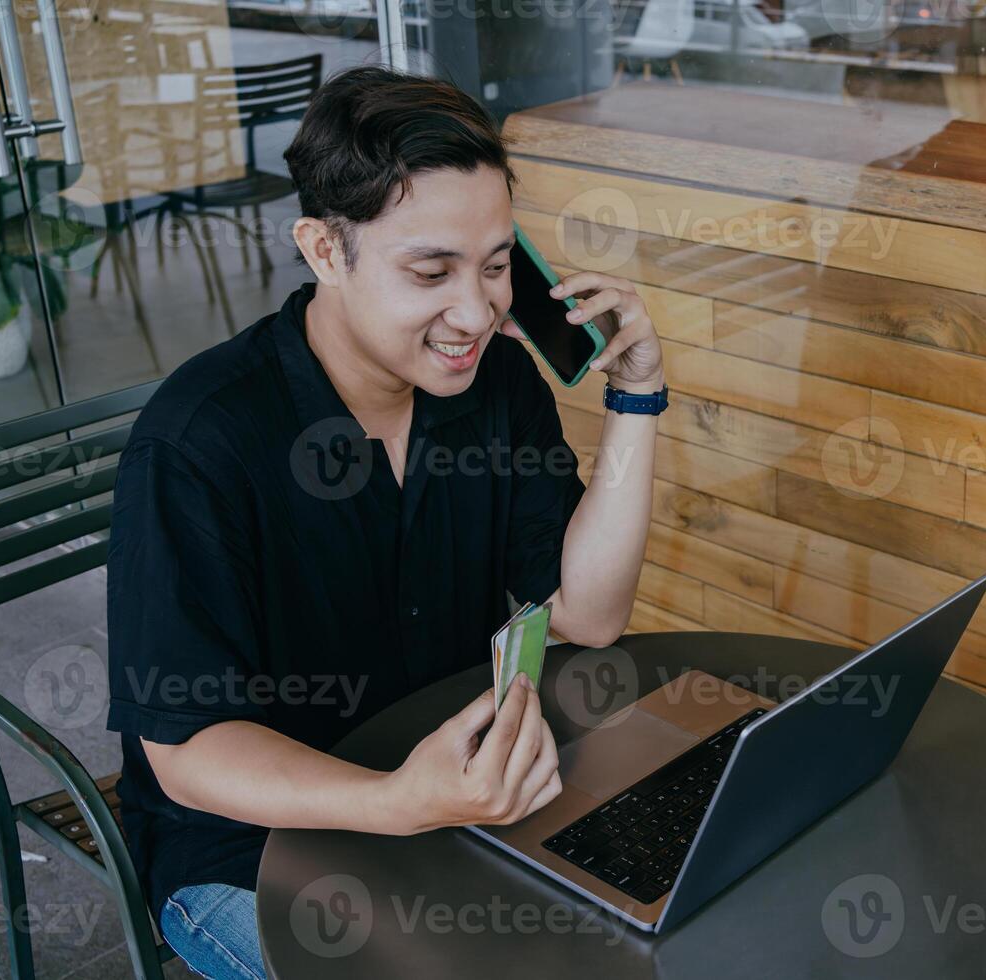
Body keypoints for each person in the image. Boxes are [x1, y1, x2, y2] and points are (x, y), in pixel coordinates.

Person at [105, 65, 667, 979]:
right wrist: (398, 802)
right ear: (324, 251)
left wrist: (635, 396)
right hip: (252, 854)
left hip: (457, 794)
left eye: (495, 266)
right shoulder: (201, 441)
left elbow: (586, 615)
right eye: (430, 271)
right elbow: (187, 753)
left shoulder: (496, 386)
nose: (477, 312)